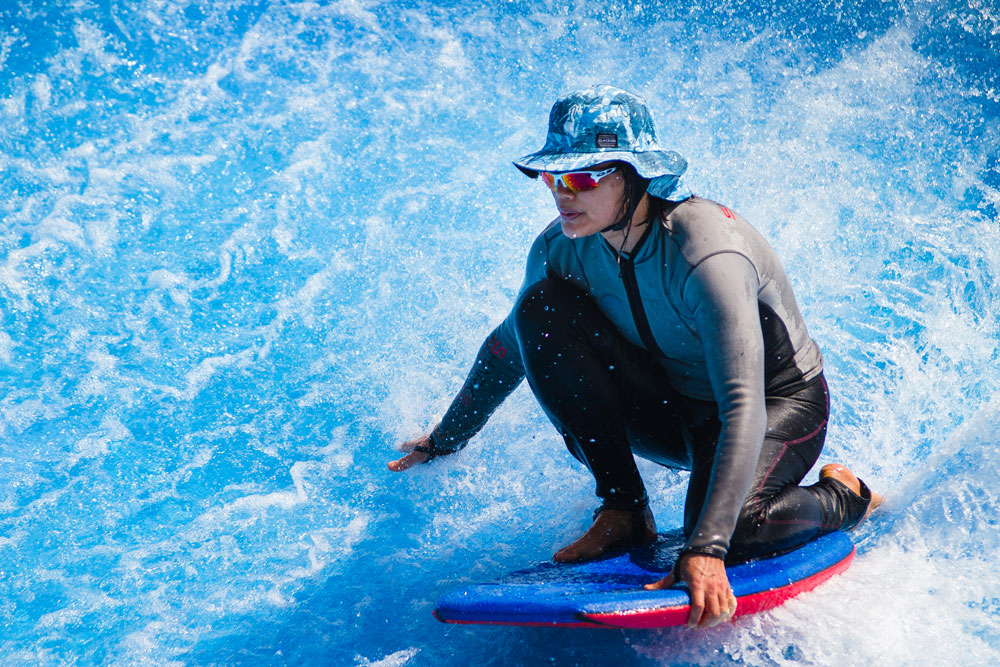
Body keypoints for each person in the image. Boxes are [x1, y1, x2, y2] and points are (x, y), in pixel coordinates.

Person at [388, 85, 881, 628]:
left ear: (635, 173)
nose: (561, 194)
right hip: (676, 410)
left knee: (735, 531)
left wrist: (709, 550)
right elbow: (510, 347)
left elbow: (744, 405)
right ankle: (623, 508)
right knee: (539, 312)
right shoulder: (563, 248)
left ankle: (844, 496)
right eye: (553, 177)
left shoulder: (707, 251)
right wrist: (445, 439)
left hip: (775, 408)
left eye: (582, 177)